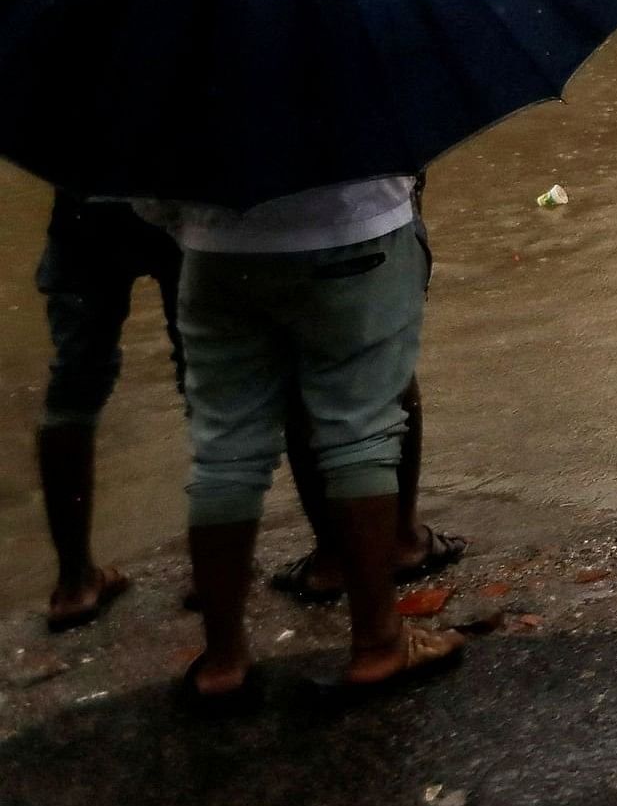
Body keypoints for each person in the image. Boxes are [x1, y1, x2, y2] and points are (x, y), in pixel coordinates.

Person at [143, 176, 463, 709]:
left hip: (216, 249)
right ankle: (378, 641)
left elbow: (149, 190)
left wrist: (195, 226)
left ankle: (223, 660)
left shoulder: (180, 87)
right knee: (360, 429)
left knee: (224, 449)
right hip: (356, 230)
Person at [31, 194, 180, 630]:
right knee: (204, 378)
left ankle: (75, 581)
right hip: (180, 202)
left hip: (85, 207)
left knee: (72, 389)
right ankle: (215, 573)